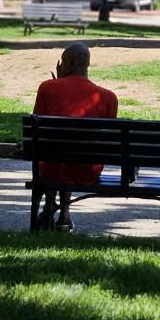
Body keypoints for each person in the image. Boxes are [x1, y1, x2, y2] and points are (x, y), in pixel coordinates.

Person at [32, 42, 118, 232]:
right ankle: (64, 214)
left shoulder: (48, 88)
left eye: (62, 62)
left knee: (55, 155)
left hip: (51, 167)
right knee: (71, 153)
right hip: (88, 170)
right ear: (87, 64)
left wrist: (58, 80)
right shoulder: (108, 97)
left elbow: (39, 134)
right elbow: (108, 141)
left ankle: (50, 209)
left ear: (68, 62)